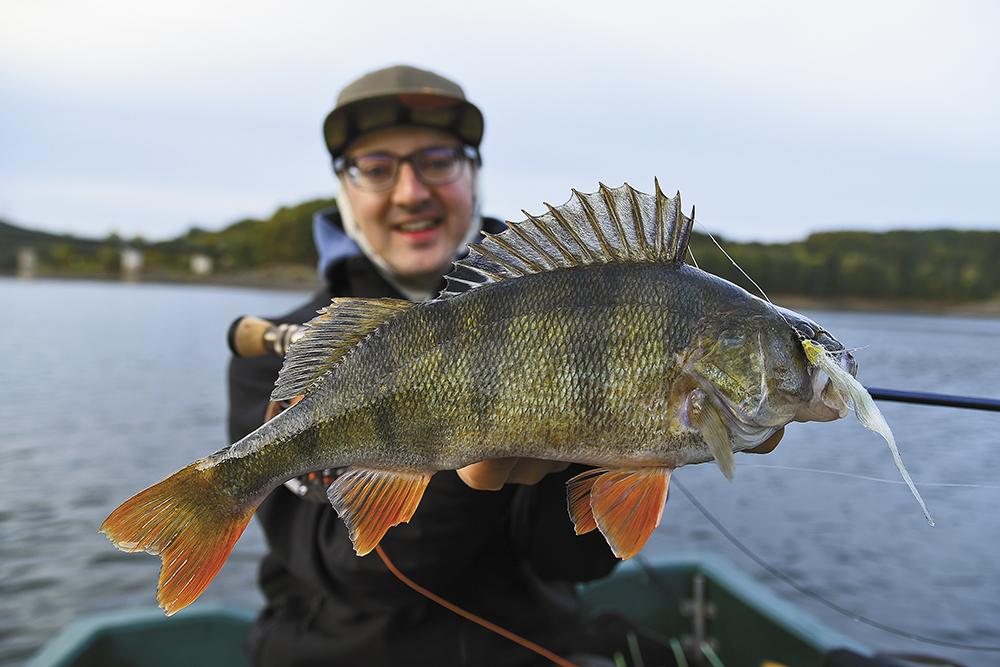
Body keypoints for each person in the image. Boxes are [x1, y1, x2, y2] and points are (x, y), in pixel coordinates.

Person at [228, 64, 782, 666]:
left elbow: (572, 562)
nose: (411, 191)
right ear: (343, 188)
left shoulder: (565, 302)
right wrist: (461, 481)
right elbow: (351, 572)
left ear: (473, 173)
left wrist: (631, 448)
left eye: (437, 161)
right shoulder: (290, 352)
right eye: (377, 168)